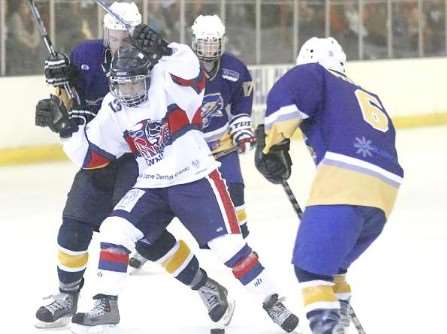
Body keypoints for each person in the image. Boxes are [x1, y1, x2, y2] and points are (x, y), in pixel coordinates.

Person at [41, 42, 299, 333]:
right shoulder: (113, 107)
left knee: (228, 247)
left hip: (196, 179)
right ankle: (106, 302)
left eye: (136, 83)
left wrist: (165, 48)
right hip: (151, 185)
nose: (129, 92)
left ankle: (272, 300)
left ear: (148, 77)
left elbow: (190, 68)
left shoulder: (169, 88)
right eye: (122, 85)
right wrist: (64, 129)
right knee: (115, 228)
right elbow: (91, 154)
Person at [34, 2, 234, 329]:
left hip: (141, 157)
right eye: (114, 32)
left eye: (126, 33)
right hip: (100, 153)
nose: (119, 39)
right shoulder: (85, 56)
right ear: (105, 30)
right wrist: (59, 96)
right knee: (74, 224)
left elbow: (190, 79)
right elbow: (71, 107)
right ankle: (66, 296)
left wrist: (167, 51)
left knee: (146, 236)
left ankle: (205, 286)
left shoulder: (153, 61)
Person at [255, 37, 404, 334]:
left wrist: (273, 143)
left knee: (310, 268)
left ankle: (330, 328)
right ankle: (341, 312)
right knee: (332, 263)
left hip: (346, 179)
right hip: (384, 193)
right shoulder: (364, 94)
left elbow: (289, 91)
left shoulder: (315, 72)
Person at [128, 14, 255, 270]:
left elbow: (241, 106)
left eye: (214, 43)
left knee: (235, 188)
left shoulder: (235, 69)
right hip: (184, 146)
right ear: (194, 41)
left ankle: (236, 244)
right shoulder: (180, 66)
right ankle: (149, 244)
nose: (209, 49)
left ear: (222, 42)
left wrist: (242, 128)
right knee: (172, 199)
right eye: (204, 42)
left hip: (219, 142)